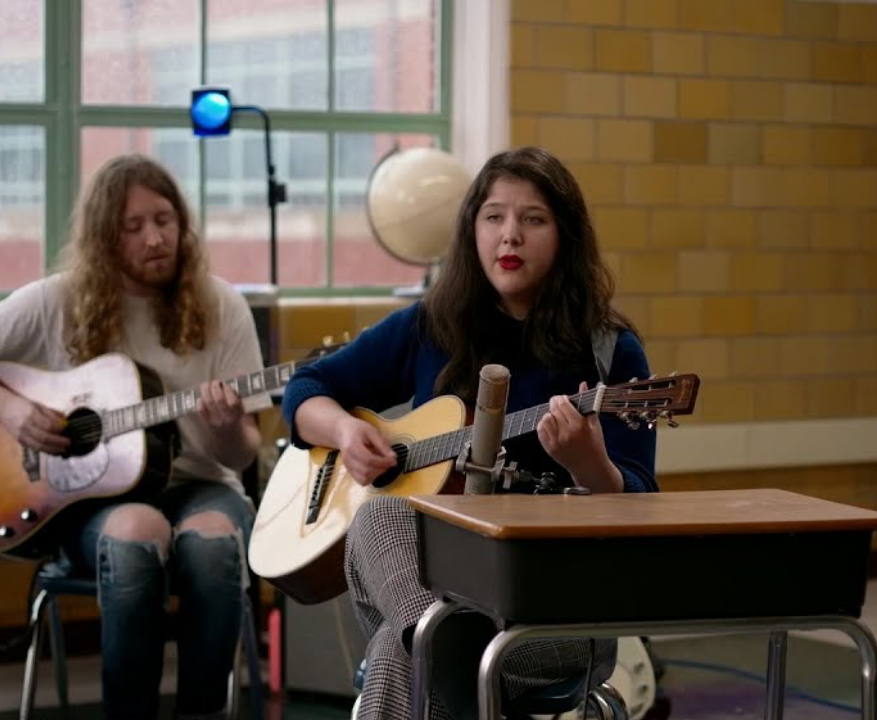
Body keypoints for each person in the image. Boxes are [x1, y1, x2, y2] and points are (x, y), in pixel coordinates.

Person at [282, 146, 657, 720]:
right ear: (472, 229)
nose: (510, 236)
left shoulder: (611, 354)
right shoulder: (430, 324)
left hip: (553, 611)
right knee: (381, 517)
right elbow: (306, 388)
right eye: (493, 216)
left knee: (402, 653)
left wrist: (589, 466)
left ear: (565, 236)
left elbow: (642, 511)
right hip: (436, 584)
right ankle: (450, 647)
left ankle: (446, 649)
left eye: (533, 219)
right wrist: (344, 432)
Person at [0, 154, 264, 720]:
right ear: (103, 237)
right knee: (136, 531)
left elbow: (242, 453)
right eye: (134, 226)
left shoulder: (222, 305)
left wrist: (224, 430)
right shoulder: (53, 302)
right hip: (88, 501)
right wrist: (14, 410)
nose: (155, 238)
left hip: (201, 485)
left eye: (165, 219)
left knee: (214, 545)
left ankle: (202, 712)